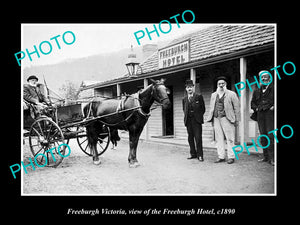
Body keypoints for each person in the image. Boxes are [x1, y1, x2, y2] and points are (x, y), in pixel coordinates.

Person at [206, 76, 240, 164]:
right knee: (219, 138)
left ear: (226, 84)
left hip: (227, 118)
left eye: (223, 83)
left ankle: (231, 157)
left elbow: (236, 108)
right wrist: (211, 119)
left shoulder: (231, 94)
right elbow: (211, 107)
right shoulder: (214, 95)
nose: (221, 85)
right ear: (217, 85)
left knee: (230, 138)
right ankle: (221, 156)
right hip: (216, 118)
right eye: (219, 84)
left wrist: (236, 119)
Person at [250, 71, 274, 166]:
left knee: (271, 135)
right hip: (260, 114)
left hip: (270, 114)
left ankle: (272, 158)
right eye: (262, 78)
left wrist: (274, 106)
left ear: (269, 78)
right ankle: (265, 156)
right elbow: (252, 102)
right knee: (263, 135)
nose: (264, 79)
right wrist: (255, 108)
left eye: (265, 77)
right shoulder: (257, 90)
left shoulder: (274, 88)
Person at [182, 79, 206, 161]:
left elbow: (203, 109)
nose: (189, 89)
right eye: (188, 87)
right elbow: (184, 109)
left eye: (191, 87)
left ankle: (200, 155)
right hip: (188, 121)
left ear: (193, 88)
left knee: (198, 138)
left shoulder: (198, 96)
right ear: (186, 89)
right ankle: (193, 154)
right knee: (190, 138)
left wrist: (198, 116)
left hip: (197, 121)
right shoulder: (184, 99)